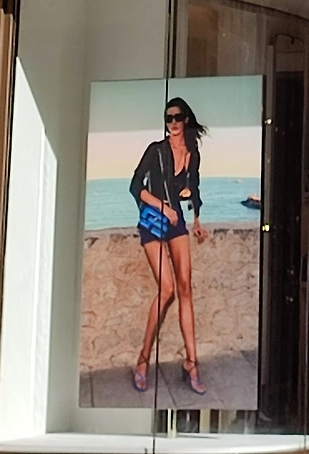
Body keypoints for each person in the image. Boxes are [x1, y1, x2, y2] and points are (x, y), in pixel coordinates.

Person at [129, 97, 206, 397]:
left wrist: (197, 218)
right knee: (167, 290)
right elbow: (135, 186)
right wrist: (163, 206)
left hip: (177, 223)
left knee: (186, 288)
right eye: (168, 118)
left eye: (177, 117)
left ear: (185, 119)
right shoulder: (156, 150)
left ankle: (192, 363)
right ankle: (143, 359)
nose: (172, 122)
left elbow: (194, 186)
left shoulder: (192, 153)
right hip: (153, 222)